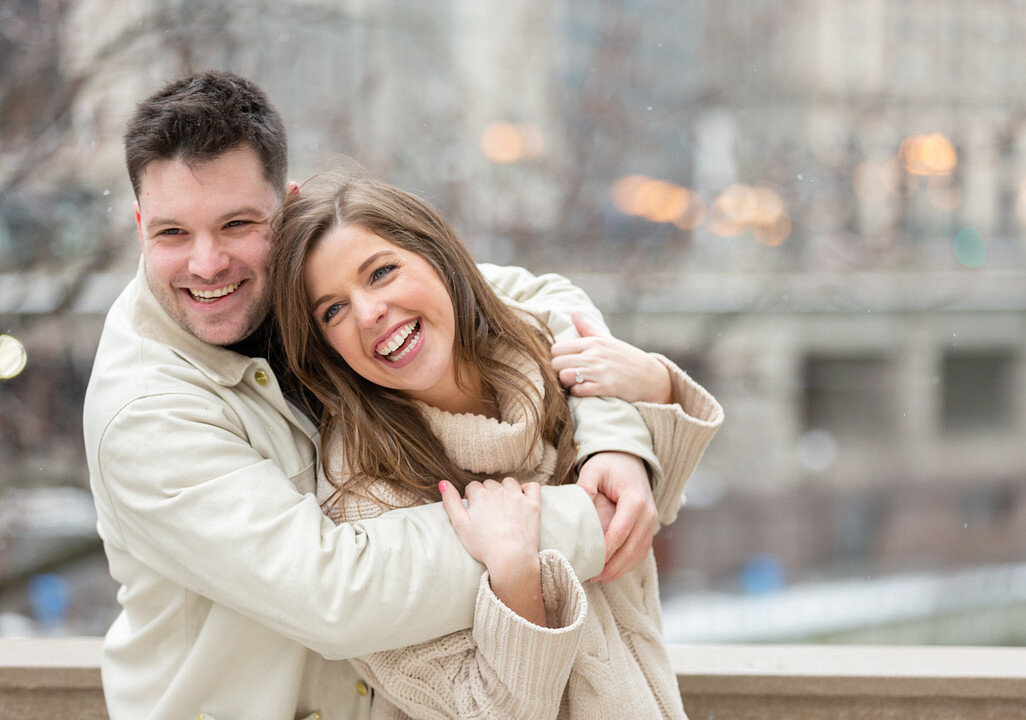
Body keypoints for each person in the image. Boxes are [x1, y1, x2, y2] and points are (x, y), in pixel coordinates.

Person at [82, 70, 678, 720]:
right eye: (172, 233)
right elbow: (336, 595)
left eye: (236, 223)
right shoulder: (143, 412)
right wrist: (582, 519)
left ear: (287, 209)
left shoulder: (319, 289)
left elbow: (536, 300)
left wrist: (615, 439)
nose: (206, 263)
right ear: (140, 224)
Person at [272, 173, 723, 719]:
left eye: (382, 272)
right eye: (333, 311)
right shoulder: (361, 494)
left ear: (437, 256)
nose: (368, 313)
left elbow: (649, 513)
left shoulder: (551, 356)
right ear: (325, 347)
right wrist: (514, 575)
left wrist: (651, 389)